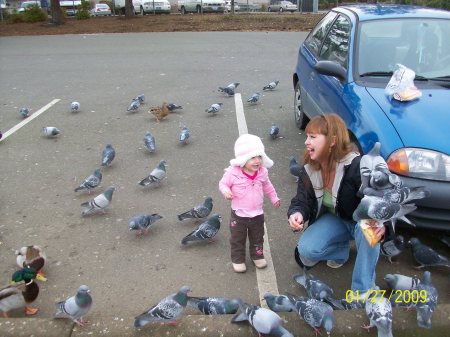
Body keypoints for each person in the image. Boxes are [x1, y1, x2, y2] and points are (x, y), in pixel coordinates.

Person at [287, 114, 385, 296]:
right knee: (306, 252)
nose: (306, 142)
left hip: (360, 221)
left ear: (332, 141)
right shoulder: (310, 168)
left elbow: (380, 198)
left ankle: (363, 291)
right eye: (307, 136)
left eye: (313, 137)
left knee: (371, 230)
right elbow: (302, 200)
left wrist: (383, 224)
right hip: (336, 219)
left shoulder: (357, 166)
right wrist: (297, 213)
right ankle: (341, 251)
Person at [219, 133, 280, 273]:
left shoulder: (262, 172)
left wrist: (274, 198)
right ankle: (238, 259)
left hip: (257, 214)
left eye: (259, 156)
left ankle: (257, 256)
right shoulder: (232, 173)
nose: (257, 161)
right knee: (237, 239)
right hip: (239, 215)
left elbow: (268, 186)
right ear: (242, 159)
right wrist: (226, 191)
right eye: (252, 157)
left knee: (258, 237)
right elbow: (223, 184)